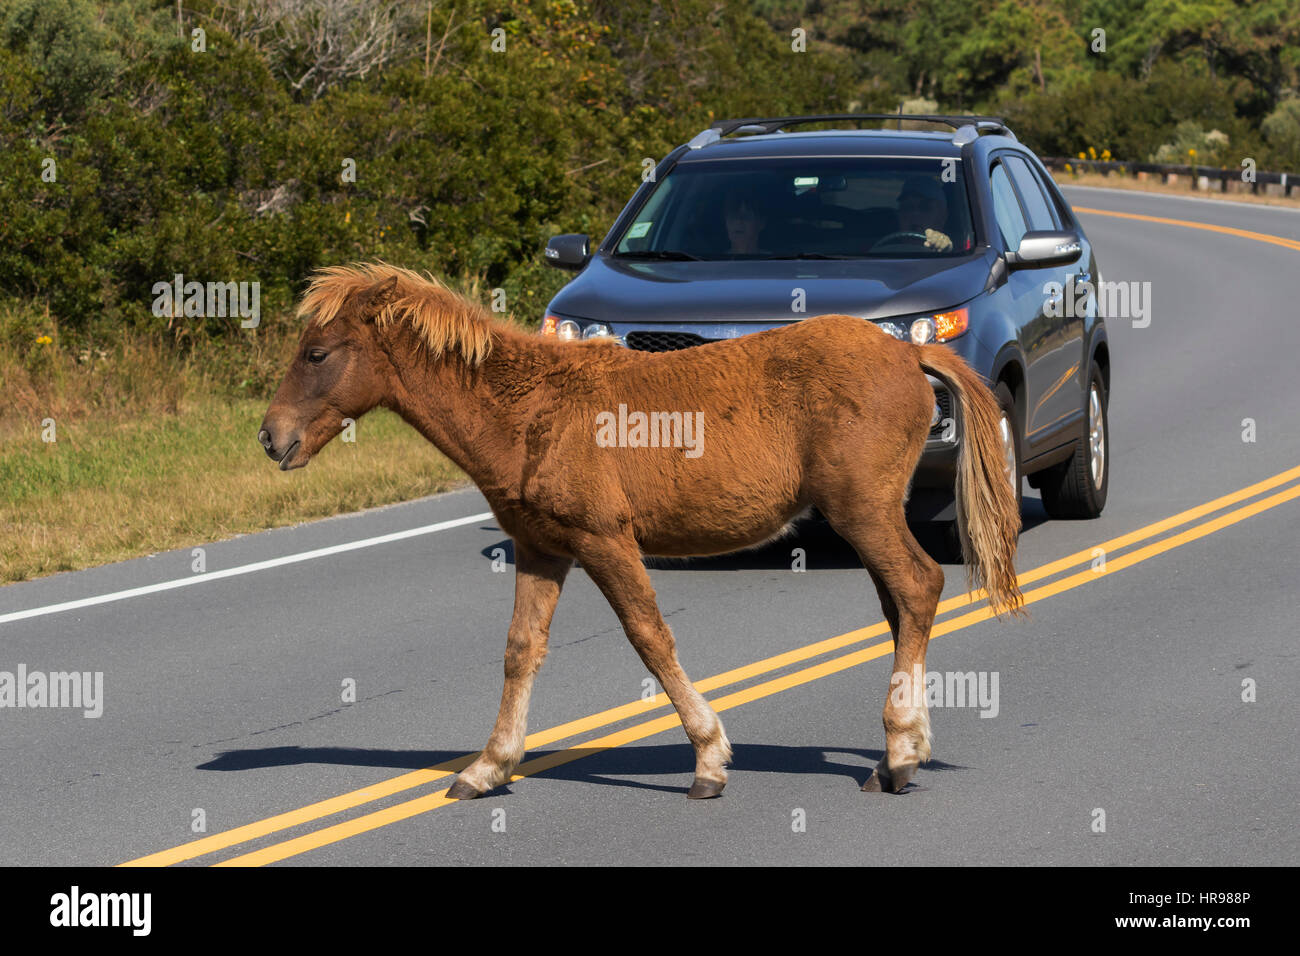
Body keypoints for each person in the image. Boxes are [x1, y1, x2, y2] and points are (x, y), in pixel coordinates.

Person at [894, 176, 952, 252]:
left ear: (942, 217)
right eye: (907, 208)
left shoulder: (963, 254)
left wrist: (944, 247)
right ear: (899, 215)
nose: (915, 214)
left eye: (925, 208)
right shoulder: (877, 251)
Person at [722, 189, 768, 256]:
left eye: (746, 216)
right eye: (733, 216)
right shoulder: (710, 264)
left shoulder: (778, 264)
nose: (739, 221)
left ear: (761, 223)